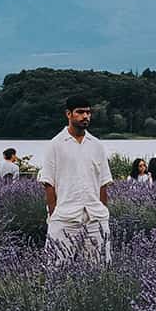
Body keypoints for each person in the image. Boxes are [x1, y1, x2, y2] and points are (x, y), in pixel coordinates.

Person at [43, 95, 112, 263]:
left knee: (100, 270)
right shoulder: (55, 145)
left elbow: (103, 183)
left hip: (95, 219)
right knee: (56, 269)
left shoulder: (97, 145)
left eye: (88, 112)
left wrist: (102, 210)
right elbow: (48, 183)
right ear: (68, 114)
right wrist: (54, 214)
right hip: (64, 218)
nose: (85, 116)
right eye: (80, 112)